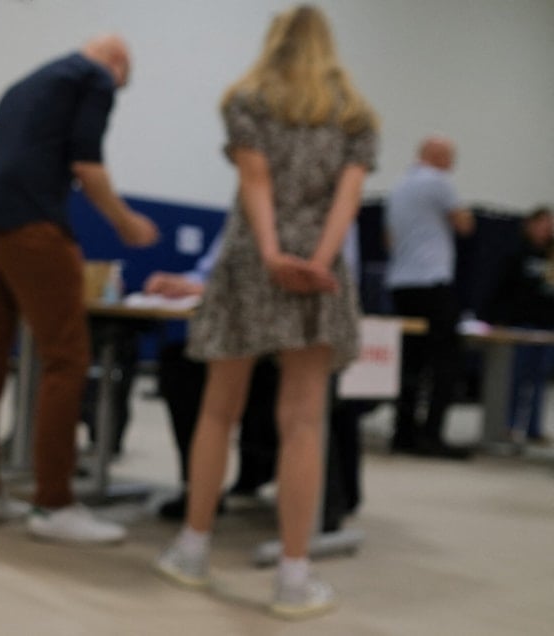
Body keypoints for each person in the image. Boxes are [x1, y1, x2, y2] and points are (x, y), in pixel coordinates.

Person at [154, 6, 378, 619]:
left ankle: (194, 550)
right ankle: (294, 579)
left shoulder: (246, 100)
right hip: (320, 275)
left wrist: (274, 252)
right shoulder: (356, 116)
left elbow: (255, 180)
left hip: (251, 261)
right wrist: (317, 262)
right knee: (304, 421)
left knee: (218, 410)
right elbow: (349, 197)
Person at [0, 34, 159, 544]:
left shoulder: (23, 85)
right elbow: (88, 166)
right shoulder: (95, 77)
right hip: (31, 224)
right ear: (117, 64)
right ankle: (53, 503)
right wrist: (125, 222)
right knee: (66, 357)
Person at [144, 233, 279, 520]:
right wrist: (185, 283)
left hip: (280, 341)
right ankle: (199, 489)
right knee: (181, 363)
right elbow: (210, 272)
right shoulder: (241, 218)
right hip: (237, 331)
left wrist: (206, 289)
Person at [384, 136, 475, 459]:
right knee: (446, 362)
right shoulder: (439, 182)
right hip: (432, 280)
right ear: (436, 156)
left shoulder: (399, 187)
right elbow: (464, 225)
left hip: (401, 282)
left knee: (411, 360)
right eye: (451, 156)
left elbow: (389, 238)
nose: (453, 163)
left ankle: (403, 433)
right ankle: (432, 435)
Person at [482, 206, 554, 444]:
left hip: (545, 327)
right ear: (530, 224)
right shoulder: (516, 253)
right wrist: (495, 319)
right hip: (519, 325)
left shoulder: (550, 256)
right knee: (514, 378)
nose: (547, 228)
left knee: (539, 379)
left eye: (550, 224)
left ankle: (533, 428)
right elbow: (500, 288)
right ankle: (509, 425)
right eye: (543, 223)